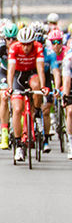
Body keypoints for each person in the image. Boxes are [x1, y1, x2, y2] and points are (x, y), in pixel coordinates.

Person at [5, 27, 47, 162]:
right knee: (17, 109)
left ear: (33, 42)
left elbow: (40, 69)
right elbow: (10, 70)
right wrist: (10, 87)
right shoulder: (14, 47)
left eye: (29, 44)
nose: (26, 47)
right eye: (23, 44)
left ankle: (37, 111)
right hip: (18, 77)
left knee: (36, 85)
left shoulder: (38, 46)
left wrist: (43, 87)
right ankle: (18, 145)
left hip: (32, 74)